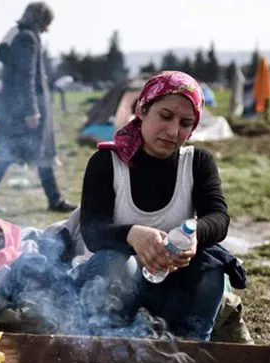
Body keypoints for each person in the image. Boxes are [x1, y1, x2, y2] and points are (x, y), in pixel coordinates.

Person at [75, 71, 244, 341]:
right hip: (112, 283)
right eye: (165, 116)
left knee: (212, 267)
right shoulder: (107, 162)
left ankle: (192, 350)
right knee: (119, 264)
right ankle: (107, 345)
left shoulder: (197, 163)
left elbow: (218, 218)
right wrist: (132, 235)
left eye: (185, 123)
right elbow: (93, 230)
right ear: (142, 110)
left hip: (170, 285)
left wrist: (194, 234)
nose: (173, 131)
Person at [0, 2, 76, 213]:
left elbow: (0, 55)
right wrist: (32, 110)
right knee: (24, 154)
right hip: (26, 109)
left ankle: (53, 199)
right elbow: (27, 76)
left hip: (13, 108)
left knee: (24, 155)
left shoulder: (16, 36)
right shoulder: (27, 38)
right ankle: (53, 200)